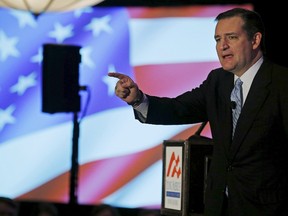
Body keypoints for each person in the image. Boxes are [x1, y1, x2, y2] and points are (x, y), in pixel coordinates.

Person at [108, 7, 288, 216]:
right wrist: (138, 99)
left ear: (255, 40)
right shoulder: (217, 81)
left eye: (231, 37)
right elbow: (179, 108)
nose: (223, 46)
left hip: (267, 207)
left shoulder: (281, 83)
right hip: (218, 206)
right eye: (218, 39)